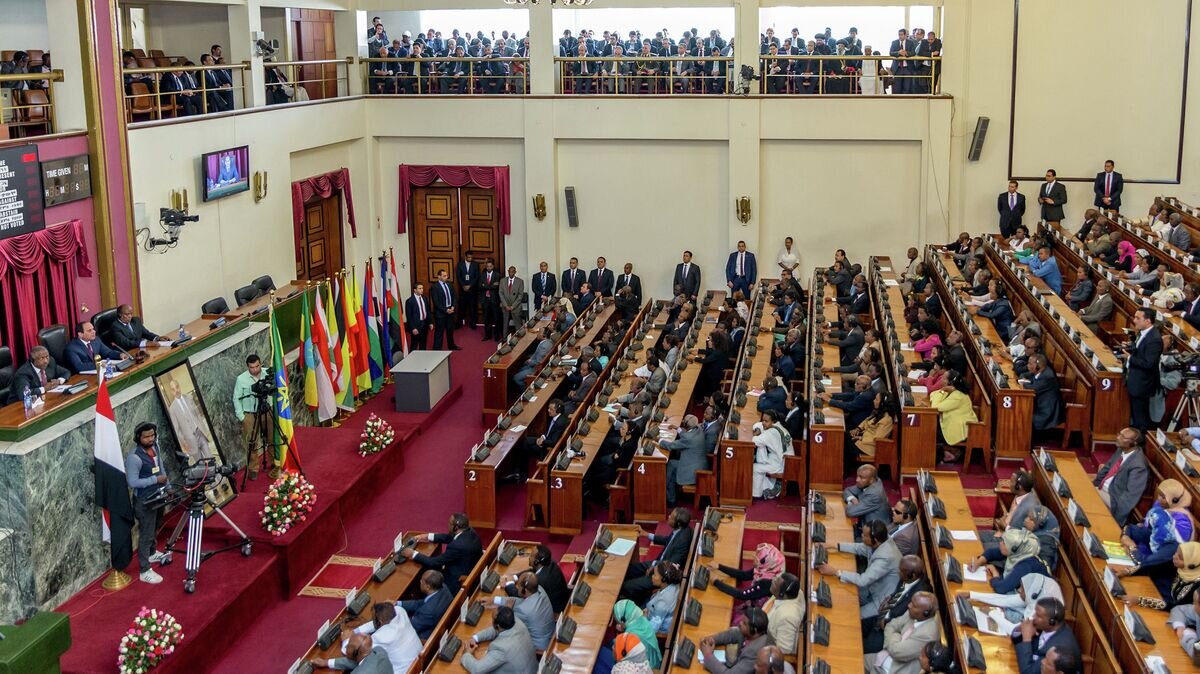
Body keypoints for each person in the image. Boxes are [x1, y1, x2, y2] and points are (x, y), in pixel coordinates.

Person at [816, 520, 901, 640]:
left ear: (875, 540)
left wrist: (836, 572)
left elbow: (863, 580)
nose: (861, 536)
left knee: (852, 617)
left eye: (865, 535)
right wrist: (833, 545)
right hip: (872, 589)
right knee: (841, 597)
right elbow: (859, 548)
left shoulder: (886, 557)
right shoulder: (881, 540)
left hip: (880, 600)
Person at [1119, 479, 1195, 575]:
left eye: (1163, 497)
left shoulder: (1180, 526)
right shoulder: (1161, 514)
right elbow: (1129, 528)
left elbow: (1144, 562)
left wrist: (1131, 547)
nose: (1159, 499)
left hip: (1158, 570)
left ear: (1174, 500)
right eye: (1159, 494)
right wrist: (1125, 537)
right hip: (1146, 555)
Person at [125, 422, 169, 584]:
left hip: (159, 496)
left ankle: (152, 552)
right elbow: (132, 482)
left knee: (156, 525)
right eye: (146, 436)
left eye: (152, 435)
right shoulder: (134, 458)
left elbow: (161, 467)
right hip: (145, 501)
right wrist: (155, 480)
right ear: (138, 438)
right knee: (146, 534)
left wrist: (168, 486)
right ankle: (144, 570)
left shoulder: (155, 448)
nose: (151, 439)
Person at [621, 508, 693, 602]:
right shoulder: (680, 529)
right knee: (628, 569)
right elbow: (668, 540)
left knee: (626, 586)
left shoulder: (682, 541)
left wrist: (654, 568)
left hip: (661, 574)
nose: (669, 517)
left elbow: (671, 565)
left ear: (678, 523)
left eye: (671, 517)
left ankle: (634, 600)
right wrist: (647, 534)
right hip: (658, 564)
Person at [399, 513, 483, 592]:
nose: (447, 525)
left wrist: (413, 554)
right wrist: (427, 536)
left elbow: (434, 562)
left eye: (449, 524)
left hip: (454, 580)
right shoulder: (470, 532)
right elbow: (450, 537)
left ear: (455, 528)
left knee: (425, 573)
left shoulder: (457, 546)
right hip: (468, 567)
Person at [866, 555, 931, 654]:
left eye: (901, 571)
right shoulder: (907, 577)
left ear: (912, 575)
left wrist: (888, 621)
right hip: (883, 613)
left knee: (866, 648)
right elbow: (898, 593)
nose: (898, 572)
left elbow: (907, 619)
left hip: (890, 629)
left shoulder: (920, 595)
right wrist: (888, 600)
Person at [866, 591, 941, 674]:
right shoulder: (912, 613)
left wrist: (895, 635)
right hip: (882, 657)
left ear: (925, 613)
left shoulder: (928, 634)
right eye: (911, 602)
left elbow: (897, 652)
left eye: (914, 605)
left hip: (892, 670)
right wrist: (895, 640)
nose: (909, 605)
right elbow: (890, 625)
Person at [1092, 426, 1150, 526]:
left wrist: (1116, 521)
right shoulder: (1122, 449)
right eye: (1119, 434)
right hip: (1102, 489)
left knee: (1085, 496)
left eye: (1123, 437)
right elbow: (1107, 468)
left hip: (1113, 499)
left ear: (1134, 443)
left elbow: (1130, 496)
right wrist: (1094, 485)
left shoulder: (1139, 466)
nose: (1118, 438)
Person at [969, 527, 1050, 594]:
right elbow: (991, 553)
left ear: (1014, 549)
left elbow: (1001, 588)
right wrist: (978, 562)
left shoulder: (1025, 566)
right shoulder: (1019, 552)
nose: (1000, 543)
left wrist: (995, 573)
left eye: (1004, 543)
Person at [347, 603, 421, 673]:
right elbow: (379, 622)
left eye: (374, 619)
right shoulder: (400, 611)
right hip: (418, 665)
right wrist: (357, 630)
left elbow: (354, 651)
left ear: (380, 621)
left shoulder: (380, 637)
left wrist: (346, 639)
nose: (372, 621)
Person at [462, 606, 538, 674]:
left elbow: (477, 669)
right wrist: (475, 638)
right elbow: (495, 630)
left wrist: (466, 654)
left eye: (492, 619)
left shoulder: (501, 648)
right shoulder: (517, 622)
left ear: (497, 626)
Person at [1126, 542, 1200, 611]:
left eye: (1180, 557)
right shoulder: (1178, 565)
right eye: (1176, 552)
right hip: (1162, 599)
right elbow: (1152, 567)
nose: (1174, 556)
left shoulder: (1197, 585)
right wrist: (1127, 572)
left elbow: (1178, 606)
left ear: (1192, 565)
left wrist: (1141, 600)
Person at [708, 543, 785, 607]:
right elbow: (744, 575)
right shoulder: (766, 570)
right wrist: (719, 566)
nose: (754, 558)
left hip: (756, 613)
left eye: (758, 558)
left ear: (768, 563)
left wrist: (716, 582)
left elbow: (742, 595)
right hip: (753, 601)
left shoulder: (767, 583)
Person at [1015, 598, 1080, 674]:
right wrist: (1020, 630)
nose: (1033, 616)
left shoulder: (1056, 649)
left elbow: (1028, 672)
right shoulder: (1045, 626)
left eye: (1038, 615)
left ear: (1051, 622)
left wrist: (1026, 638)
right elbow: (1015, 640)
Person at [698, 607, 771, 674]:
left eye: (744, 623)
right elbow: (733, 634)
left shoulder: (755, 653)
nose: (740, 623)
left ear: (754, 630)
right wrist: (713, 639)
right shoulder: (754, 633)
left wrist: (708, 655)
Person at [1123, 309, 1163, 430]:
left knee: (1140, 417)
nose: (1134, 320)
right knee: (1136, 415)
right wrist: (1131, 347)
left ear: (1148, 321)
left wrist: (1129, 358)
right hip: (1136, 380)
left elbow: (1149, 363)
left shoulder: (1154, 339)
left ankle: (1140, 442)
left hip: (1142, 384)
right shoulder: (1143, 332)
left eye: (1137, 318)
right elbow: (1141, 351)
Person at [493, 571, 554, 650]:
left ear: (524, 591)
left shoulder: (523, 610)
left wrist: (508, 609)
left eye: (518, 585)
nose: (517, 587)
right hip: (550, 634)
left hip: (538, 648)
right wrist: (495, 600)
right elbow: (519, 601)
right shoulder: (540, 590)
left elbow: (506, 626)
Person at [232, 354, 268, 478]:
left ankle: (276, 463)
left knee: (271, 438)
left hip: (266, 410)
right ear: (248, 367)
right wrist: (241, 416)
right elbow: (236, 398)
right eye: (252, 367)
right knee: (251, 442)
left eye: (257, 366)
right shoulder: (241, 379)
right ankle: (253, 468)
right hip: (250, 414)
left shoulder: (267, 373)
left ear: (260, 363)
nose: (255, 369)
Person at [930, 371, 977, 462]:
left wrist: (942, 390)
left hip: (957, 429)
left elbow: (935, 407)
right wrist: (942, 391)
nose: (941, 379)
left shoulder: (958, 396)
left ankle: (943, 455)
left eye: (943, 378)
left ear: (950, 383)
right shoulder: (952, 392)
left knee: (930, 431)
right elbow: (932, 394)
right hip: (949, 423)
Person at [661, 415, 708, 506]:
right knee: (673, 465)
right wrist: (677, 429)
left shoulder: (688, 438)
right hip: (699, 464)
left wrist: (659, 440)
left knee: (671, 464)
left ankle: (668, 495)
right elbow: (688, 435)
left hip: (693, 471)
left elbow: (671, 446)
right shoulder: (698, 429)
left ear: (686, 425)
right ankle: (670, 494)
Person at [398, 570, 453, 641]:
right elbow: (422, 603)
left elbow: (411, 627)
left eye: (422, 580)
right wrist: (399, 603)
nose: (420, 581)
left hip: (425, 636)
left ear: (428, 587)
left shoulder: (428, 611)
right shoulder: (443, 588)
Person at [166, 377, 213, 461]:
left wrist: (204, 430)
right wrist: (184, 443)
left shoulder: (189, 398)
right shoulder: (172, 409)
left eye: (177, 387)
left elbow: (198, 414)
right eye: (173, 389)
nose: (176, 390)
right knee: (200, 465)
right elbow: (177, 430)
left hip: (200, 433)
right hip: (190, 440)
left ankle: (217, 474)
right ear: (171, 392)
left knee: (211, 459)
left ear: (179, 386)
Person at [848, 391, 896, 467]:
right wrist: (858, 429)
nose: (874, 401)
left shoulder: (887, 420)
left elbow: (877, 439)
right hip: (864, 438)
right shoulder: (878, 411)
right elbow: (866, 420)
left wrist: (860, 438)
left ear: (882, 403)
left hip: (870, 447)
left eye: (876, 399)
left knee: (844, 442)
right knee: (844, 435)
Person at [1022, 354, 1064, 436]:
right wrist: (1023, 379)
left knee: (1024, 418)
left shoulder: (1047, 376)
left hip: (1047, 411)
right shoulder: (1040, 371)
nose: (1028, 366)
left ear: (1038, 365)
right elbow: (1024, 375)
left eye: (1030, 364)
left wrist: (1022, 382)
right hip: (1039, 404)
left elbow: (1032, 389)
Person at [310, 632, 394, 674]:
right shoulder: (379, 651)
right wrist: (327, 662)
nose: (346, 647)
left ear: (355, 652)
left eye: (348, 645)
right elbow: (359, 662)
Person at [751, 410, 789, 499]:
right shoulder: (778, 426)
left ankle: (757, 494)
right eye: (763, 420)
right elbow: (758, 425)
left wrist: (756, 434)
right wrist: (758, 428)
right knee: (760, 462)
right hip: (782, 460)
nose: (763, 423)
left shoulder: (771, 433)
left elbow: (755, 441)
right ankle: (771, 488)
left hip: (781, 464)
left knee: (755, 467)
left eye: (766, 421)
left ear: (773, 421)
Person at [640, 561, 683, 634]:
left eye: (655, 575)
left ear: (663, 579)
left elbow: (652, 629)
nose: (652, 576)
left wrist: (644, 618)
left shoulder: (662, 604)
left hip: (656, 624)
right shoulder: (673, 583)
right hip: (655, 608)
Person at [430, 269, 460, 350]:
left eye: (446, 275)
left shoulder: (449, 284)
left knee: (450, 331)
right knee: (439, 332)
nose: (446, 277)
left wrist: (453, 306)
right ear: (439, 277)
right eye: (444, 276)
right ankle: (437, 349)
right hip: (441, 313)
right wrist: (445, 310)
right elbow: (436, 302)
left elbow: (454, 296)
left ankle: (451, 345)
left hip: (451, 312)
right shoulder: (435, 287)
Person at [498, 266, 524, 337]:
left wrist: (513, 306)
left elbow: (520, 295)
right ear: (508, 271)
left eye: (513, 271)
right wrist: (506, 305)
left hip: (515, 307)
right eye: (510, 271)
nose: (511, 273)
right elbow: (500, 293)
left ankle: (519, 338)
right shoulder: (502, 281)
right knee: (505, 324)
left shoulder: (520, 281)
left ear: (515, 272)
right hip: (505, 306)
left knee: (518, 324)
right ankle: (504, 339)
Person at [405, 284, 431, 350]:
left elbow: (427, 311)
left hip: (424, 324)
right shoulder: (410, 301)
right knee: (414, 344)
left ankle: (423, 358)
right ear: (415, 290)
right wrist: (413, 328)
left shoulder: (424, 298)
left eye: (422, 288)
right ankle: (412, 359)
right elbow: (409, 316)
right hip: (416, 326)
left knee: (423, 343)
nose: (422, 290)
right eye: (419, 288)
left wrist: (430, 322)